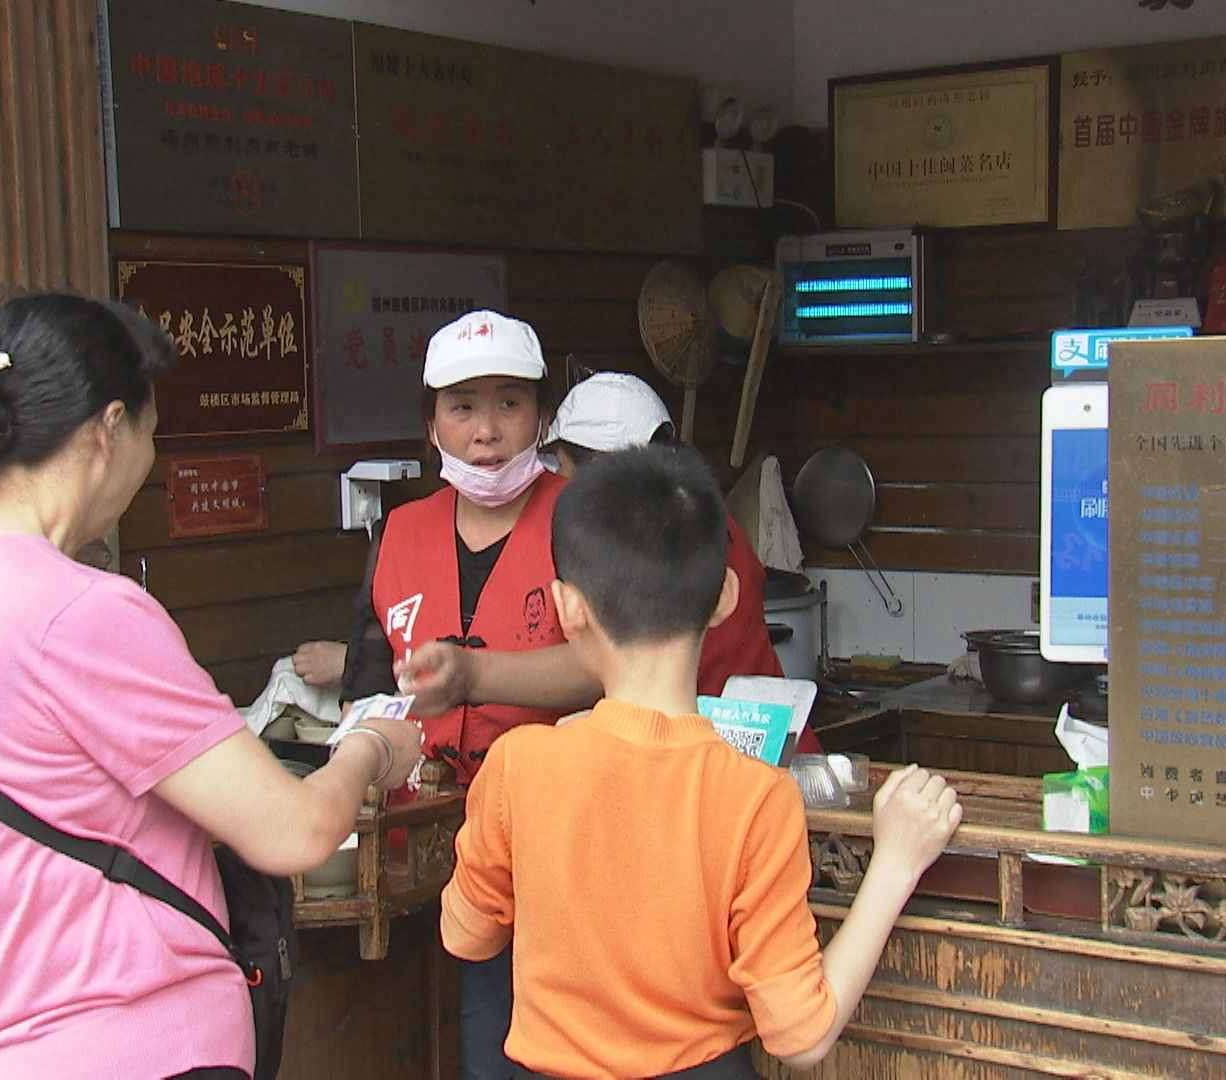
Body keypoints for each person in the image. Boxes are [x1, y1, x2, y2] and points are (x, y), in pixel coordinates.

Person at [0, 293, 422, 1080]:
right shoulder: (84, 611)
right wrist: (370, 744)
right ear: (109, 428)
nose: (147, 461)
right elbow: (292, 831)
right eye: (152, 434)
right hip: (133, 1042)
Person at [441, 445, 963, 1078]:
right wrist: (897, 862)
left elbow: (467, 935)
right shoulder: (755, 796)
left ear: (567, 607)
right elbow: (801, 1039)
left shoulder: (517, 765)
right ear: (726, 597)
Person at [336, 308, 573, 1078]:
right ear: (430, 423)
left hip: (565, 835)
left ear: (542, 415)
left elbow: (621, 664)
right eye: (463, 406)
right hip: (432, 842)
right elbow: (367, 684)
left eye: (510, 403)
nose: (487, 431)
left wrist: (478, 677)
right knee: (474, 1040)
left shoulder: (584, 520)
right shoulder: (400, 532)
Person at [542, 371, 821, 753]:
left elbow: (622, 667)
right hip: (771, 748)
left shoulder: (647, 546)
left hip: (714, 758)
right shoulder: (706, 520)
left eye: (563, 470)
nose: (559, 485)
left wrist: (475, 676)